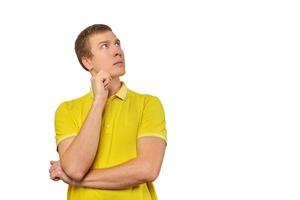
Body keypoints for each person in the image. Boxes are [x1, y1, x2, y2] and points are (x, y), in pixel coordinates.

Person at [49, 24, 167, 200]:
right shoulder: (67, 110)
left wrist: (77, 181)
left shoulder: (148, 104)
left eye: (117, 43)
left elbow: (148, 169)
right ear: (87, 62)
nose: (117, 51)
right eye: (105, 46)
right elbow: (75, 168)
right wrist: (99, 102)